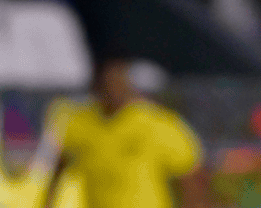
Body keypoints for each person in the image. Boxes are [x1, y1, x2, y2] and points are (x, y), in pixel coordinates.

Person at [49, 56, 209, 208]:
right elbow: (60, 164)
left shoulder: (155, 123)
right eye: (105, 82)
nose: (111, 89)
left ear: (128, 84)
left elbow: (191, 176)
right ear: (95, 85)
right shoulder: (82, 123)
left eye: (117, 81)